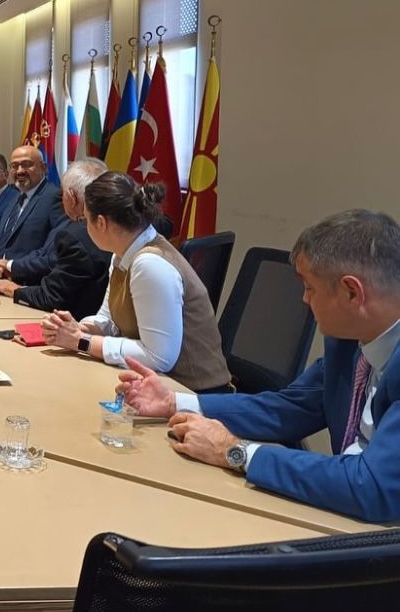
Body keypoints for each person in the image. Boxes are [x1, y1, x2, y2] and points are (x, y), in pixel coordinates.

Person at [117, 209, 400, 523]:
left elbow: (374, 487)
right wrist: (174, 402)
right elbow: (290, 408)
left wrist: (234, 451)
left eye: (310, 288)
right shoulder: (348, 343)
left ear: (351, 292)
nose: (304, 300)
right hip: (345, 515)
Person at [42, 171, 230, 393]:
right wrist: (79, 328)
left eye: (85, 220)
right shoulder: (122, 253)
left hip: (191, 393)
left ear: (101, 222)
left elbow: (158, 357)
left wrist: (82, 341)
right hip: (155, 386)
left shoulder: (149, 264)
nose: (84, 227)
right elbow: (109, 320)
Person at [0, 158, 111, 318]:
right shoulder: (108, 226)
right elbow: (47, 252)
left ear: (71, 197)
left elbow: (52, 297)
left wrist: (14, 290)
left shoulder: (77, 235)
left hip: (75, 322)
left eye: (62, 194)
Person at [0, 144, 66, 267]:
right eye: (15, 166)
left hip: (27, 275)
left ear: (43, 168)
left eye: (26, 164)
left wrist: (11, 266)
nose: (20, 171)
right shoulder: (16, 196)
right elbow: (6, 242)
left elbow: (52, 250)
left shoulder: (54, 197)